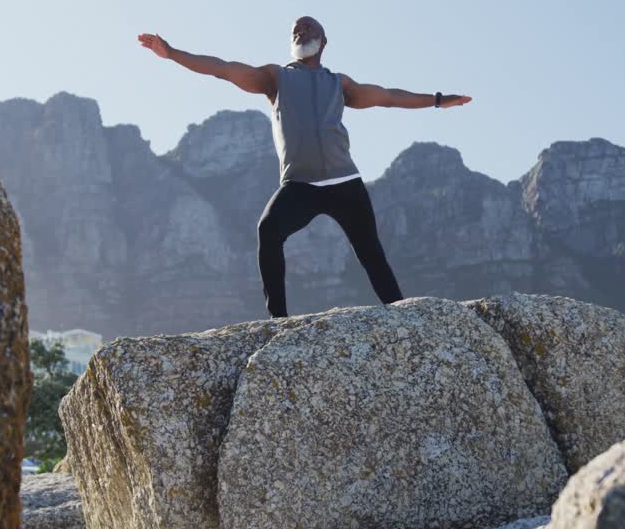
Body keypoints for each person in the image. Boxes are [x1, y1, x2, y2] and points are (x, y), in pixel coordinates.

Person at [137, 16, 472, 318]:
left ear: (323, 41)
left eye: (308, 27)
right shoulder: (275, 78)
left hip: (345, 184)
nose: (300, 30)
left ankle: (403, 316)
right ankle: (278, 322)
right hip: (300, 186)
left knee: (372, 254)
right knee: (268, 232)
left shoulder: (339, 84)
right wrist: (173, 53)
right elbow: (222, 68)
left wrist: (438, 100)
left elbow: (389, 96)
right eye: (295, 29)